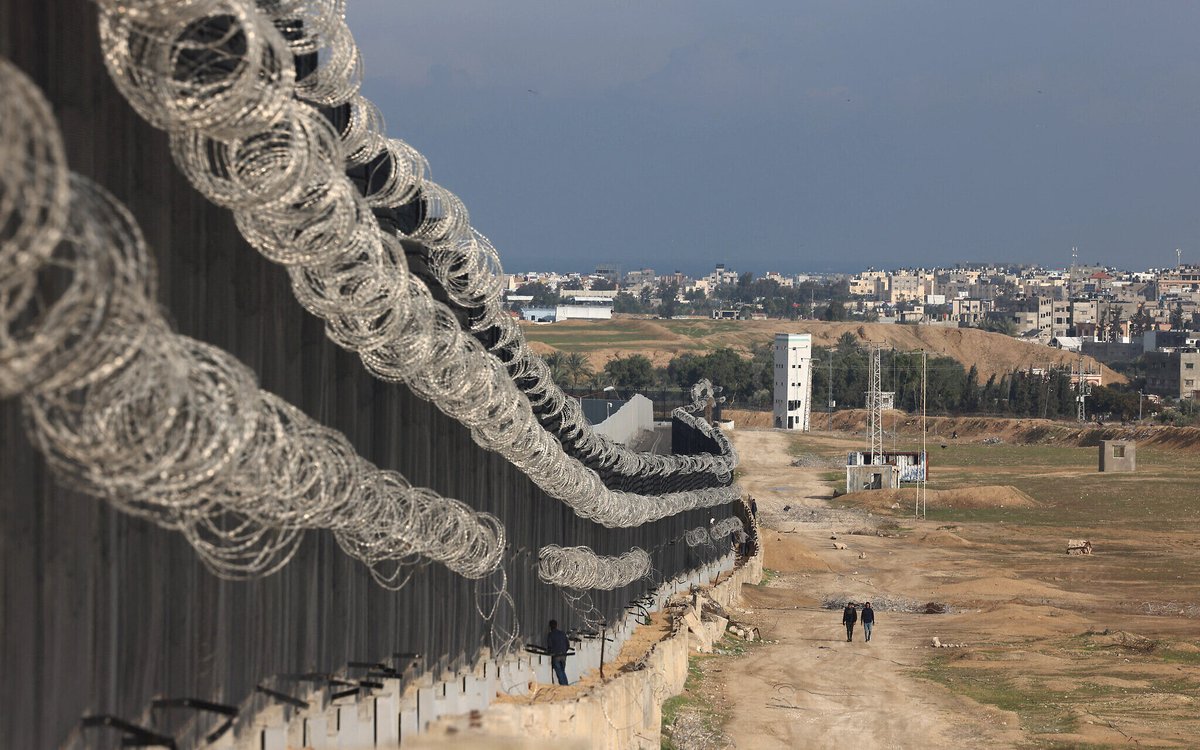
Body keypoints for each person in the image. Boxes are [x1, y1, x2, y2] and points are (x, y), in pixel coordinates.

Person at [546, 619, 570, 685]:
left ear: (550, 626)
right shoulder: (562, 633)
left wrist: (550, 653)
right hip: (564, 654)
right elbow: (567, 644)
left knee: (559, 671)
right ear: (556, 625)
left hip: (556, 655)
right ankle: (566, 684)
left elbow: (549, 646)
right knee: (562, 671)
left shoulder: (550, 635)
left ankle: (564, 686)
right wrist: (564, 651)